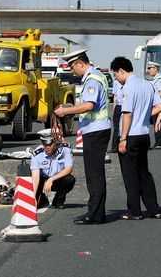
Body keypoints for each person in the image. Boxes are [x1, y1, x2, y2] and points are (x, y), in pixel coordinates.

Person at [54, 49, 111, 225]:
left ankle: (94, 215)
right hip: (95, 130)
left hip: (95, 131)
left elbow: (88, 105)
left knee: (94, 175)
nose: (72, 71)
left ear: (80, 63)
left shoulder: (92, 80)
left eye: (72, 66)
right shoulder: (93, 77)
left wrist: (65, 111)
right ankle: (95, 212)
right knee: (94, 174)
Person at [110, 56, 161, 219]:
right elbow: (160, 106)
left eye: (115, 75)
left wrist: (123, 138)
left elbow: (127, 114)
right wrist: (145, 116)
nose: (116, 79)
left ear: (121, 70)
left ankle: (134, 211)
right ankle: (154, 209)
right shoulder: (147, 84)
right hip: (144, 135)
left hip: (131, 136)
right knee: (143, 172)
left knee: (130, 174)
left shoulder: (128, 87)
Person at [30, 129, 75, 209]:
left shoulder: (65, 150)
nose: (47, 147)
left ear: (56, 142)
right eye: (44, 145)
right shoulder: (37, 154)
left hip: (57, 178)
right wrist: (32, 198)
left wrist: (51, 179)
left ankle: (58, 200)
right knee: (35, 204)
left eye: (50, 145)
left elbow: (68, 169)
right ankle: (42, 199)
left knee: (69, 179)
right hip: (42, 180)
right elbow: (35, 176)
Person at [147, 61, 161, 149]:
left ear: (155, 69)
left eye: (150, 68)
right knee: (156, 123)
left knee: (159, 123)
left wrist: (155, 102)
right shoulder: (155, 79)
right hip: (157, 105)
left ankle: (160, 143)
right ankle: (158, 142)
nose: (149, 70)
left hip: (160, 106)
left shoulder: (160, 79)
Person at [110, 78, 123, 153]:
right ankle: (115, 147)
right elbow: (115, 96)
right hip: (118, 106)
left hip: (125, 105)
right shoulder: (115, 82)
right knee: (116, 127)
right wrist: (114, 109)